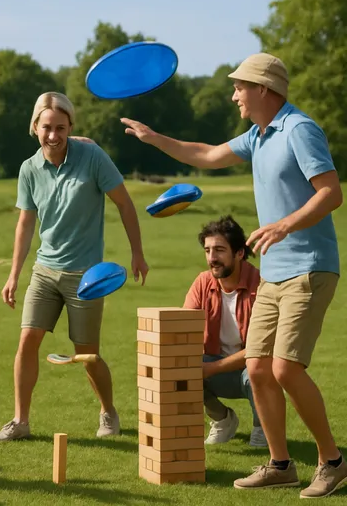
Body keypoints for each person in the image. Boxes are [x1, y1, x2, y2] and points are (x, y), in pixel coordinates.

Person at [122, 53, 346, 498]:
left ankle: (333, 462)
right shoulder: (257, 136)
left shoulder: (299, 130)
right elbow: (205, 154)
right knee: (259, 368)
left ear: (263, 88)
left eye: (240, 87)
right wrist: (154, 139)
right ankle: (281, 464)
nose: (234, 94)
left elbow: (331, 192)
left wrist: (285, 224)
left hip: (309, 266)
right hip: (275, 275)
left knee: (284, 368)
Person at [0, 92, 149, 442]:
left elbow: (124, 204)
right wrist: (14, 274)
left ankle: (108, 412)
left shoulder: (92, 157)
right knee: (27, 342)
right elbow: (25, 224)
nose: (53, 135)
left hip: (86, 275)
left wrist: (137, 253)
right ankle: (21, 421)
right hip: (45, 270)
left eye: (60, 128)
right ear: (34, 127)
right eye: (46, 127)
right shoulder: (29, 169)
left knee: (86, 353)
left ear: (70, 128)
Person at [182, 215, 266, 447]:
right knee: (177, 366)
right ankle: (222, 419)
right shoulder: (202, 282)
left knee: (258, 369)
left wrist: (209, 368)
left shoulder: (261, 285)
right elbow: (182, 328)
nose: (212, 258)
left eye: (219, 250)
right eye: (207, 250)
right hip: (215, 364)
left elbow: (260, 349)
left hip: (254, 367)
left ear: (239, 253)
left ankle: (263, 427)